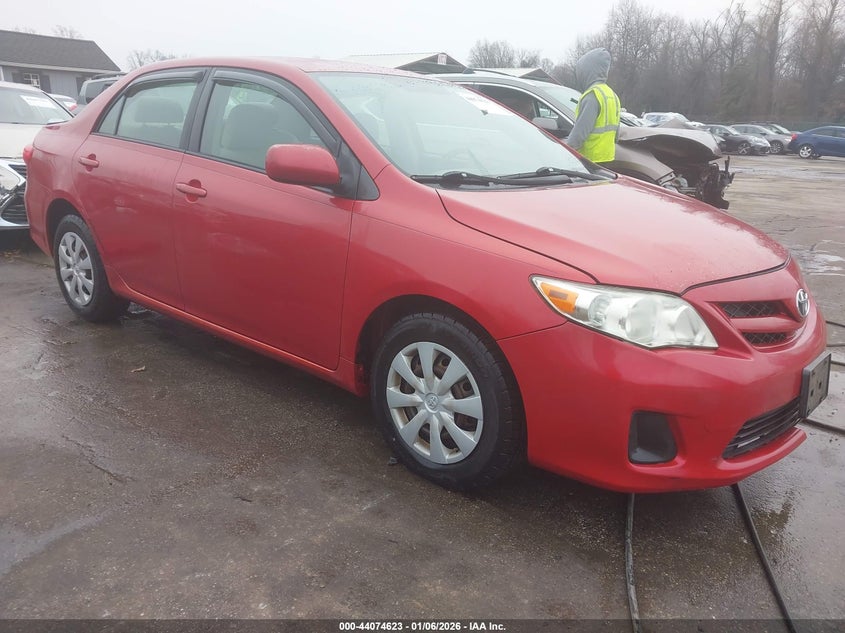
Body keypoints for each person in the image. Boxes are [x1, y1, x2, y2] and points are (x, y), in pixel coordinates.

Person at [567, 47, 621, 164]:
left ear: (587, 72)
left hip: (589, 160)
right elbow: (616, 135)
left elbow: (579, 134)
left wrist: (565, 151)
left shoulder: (592, 95)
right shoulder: (612, 95)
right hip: (608, 157)